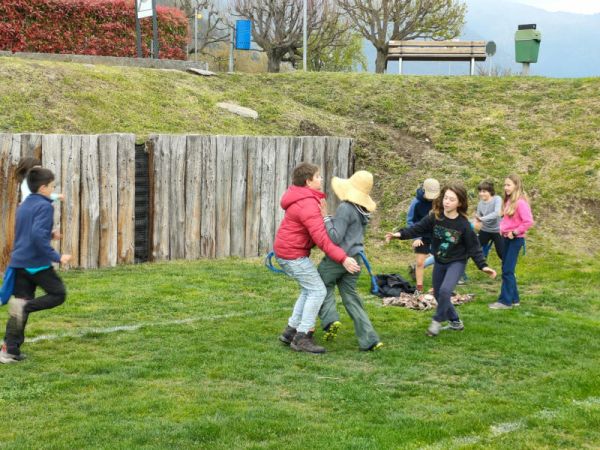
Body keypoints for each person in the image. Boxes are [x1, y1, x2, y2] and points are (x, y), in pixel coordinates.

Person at [386, 182, 497, 336]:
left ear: (459, 203)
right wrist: (399, 235)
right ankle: (455, 322)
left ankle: (436, 321)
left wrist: (483, 266)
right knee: (438, 294)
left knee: (445, 291)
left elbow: (474, 247)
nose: (447, 202)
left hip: (456, 262)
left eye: (452, 199)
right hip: (440, 260)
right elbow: (417, 228)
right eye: (445, 198)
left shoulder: (463, 225)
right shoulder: (435, 217)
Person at [274, 163, 360, 354]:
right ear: (308, 181)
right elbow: (321, 239)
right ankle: (302, 338)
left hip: (288, 252)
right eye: (318, 176)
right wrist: (343, 258)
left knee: (308, 289)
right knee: (318, 291)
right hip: (292, 255)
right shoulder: (307, 204)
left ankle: (291, 331)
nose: (321, 179)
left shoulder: (304, 198)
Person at [0, 167, 72, 363]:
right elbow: (36, 236)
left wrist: (51, 235)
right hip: (36, 264)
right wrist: (57, 257)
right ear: (43, 188)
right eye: (52, 186)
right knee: (58, 294)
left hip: (19, 263)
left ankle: (10, 350)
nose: (53, 189)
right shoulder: (45, 206)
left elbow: (29, 232)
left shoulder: (23, 206)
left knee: (21, 302)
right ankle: (23, 307)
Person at [317, 171, 383, 351]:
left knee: (319, 284)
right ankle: (370, 340)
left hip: (340, 259)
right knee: (352, 298)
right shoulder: (363, 211)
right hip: (357, 259)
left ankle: (330, 319)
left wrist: (325, 216)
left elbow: (335, 237)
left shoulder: (345, 208)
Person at [488, 174, 534, 310]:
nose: (505, 187)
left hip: (515, 240)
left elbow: (528, 221)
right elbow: (508, 220)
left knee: (507, 270)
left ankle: (505, 302)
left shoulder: (521, 202)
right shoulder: (509, 201)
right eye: (504, 185)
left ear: (516, 186)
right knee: (507, 269)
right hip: (506, 239)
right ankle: (514, 299)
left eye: (508, 185)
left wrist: (515, 232)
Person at [405, 179, 440, 295]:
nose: (432, 198)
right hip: (421, 236)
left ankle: (437, 287)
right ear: (424, 190)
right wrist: (416, 238)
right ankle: (419, 288)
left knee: (440, 260)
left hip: (436, 235)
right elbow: (411, 221)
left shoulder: (440, 201)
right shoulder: (416, 203)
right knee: (420, 262)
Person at [474, 180, 504, 260]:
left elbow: (497, 213)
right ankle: (460, 269)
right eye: (480, 191)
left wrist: (481, 219)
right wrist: (477, 220)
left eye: (484, 191)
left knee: (501, 253)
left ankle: (508, 271)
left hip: (498, 231)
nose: (481, 193)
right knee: (473, 248)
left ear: (490, 191)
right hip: (485, 230)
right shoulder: (480, 203)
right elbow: (478, 216)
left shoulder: (497, 199)